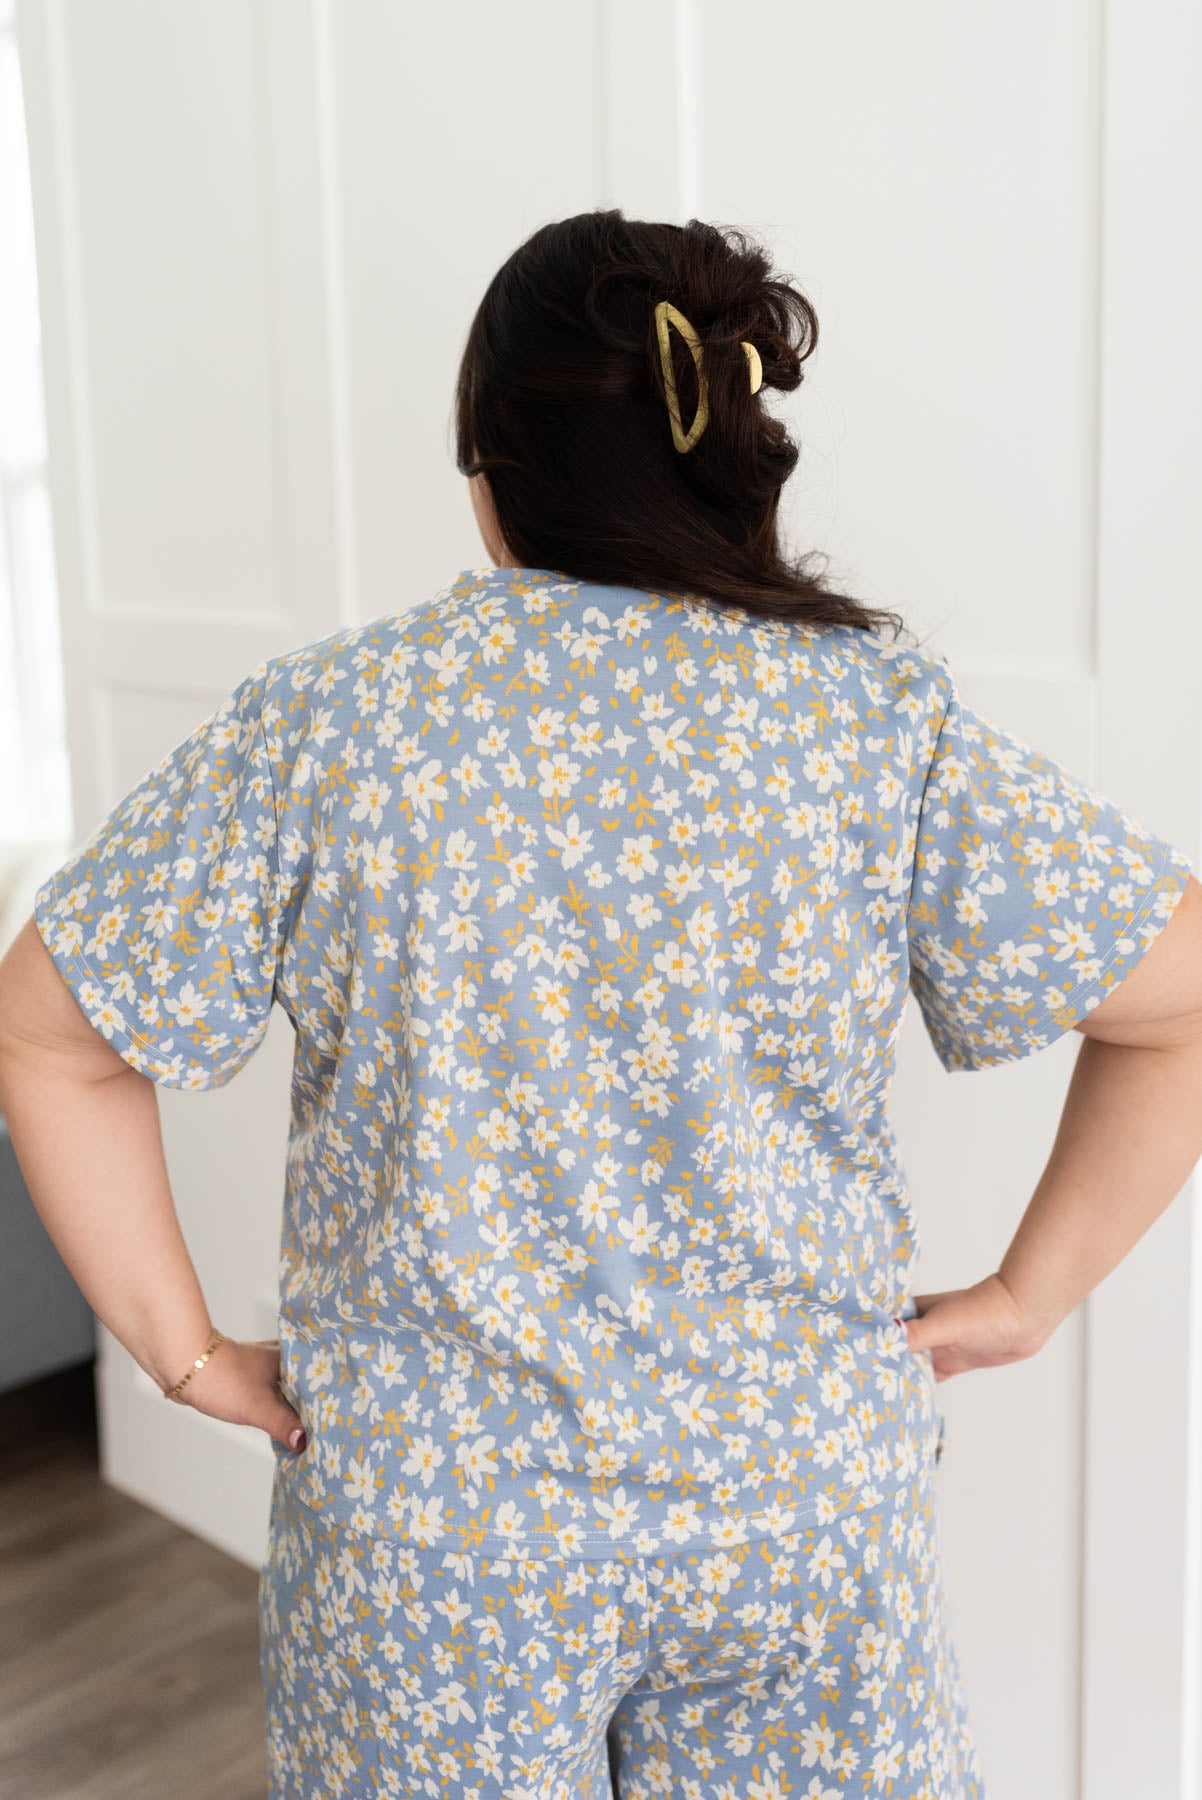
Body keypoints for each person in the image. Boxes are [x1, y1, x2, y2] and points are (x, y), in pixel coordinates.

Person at [0, 209, 1199, 1800]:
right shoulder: (864, 717)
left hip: (441, 1542)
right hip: (797, 1513)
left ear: (481, 448)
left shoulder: (337, 724)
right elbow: (1177, 1000)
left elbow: (47, 1032)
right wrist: (1028, 1297)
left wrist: (183, 1354)